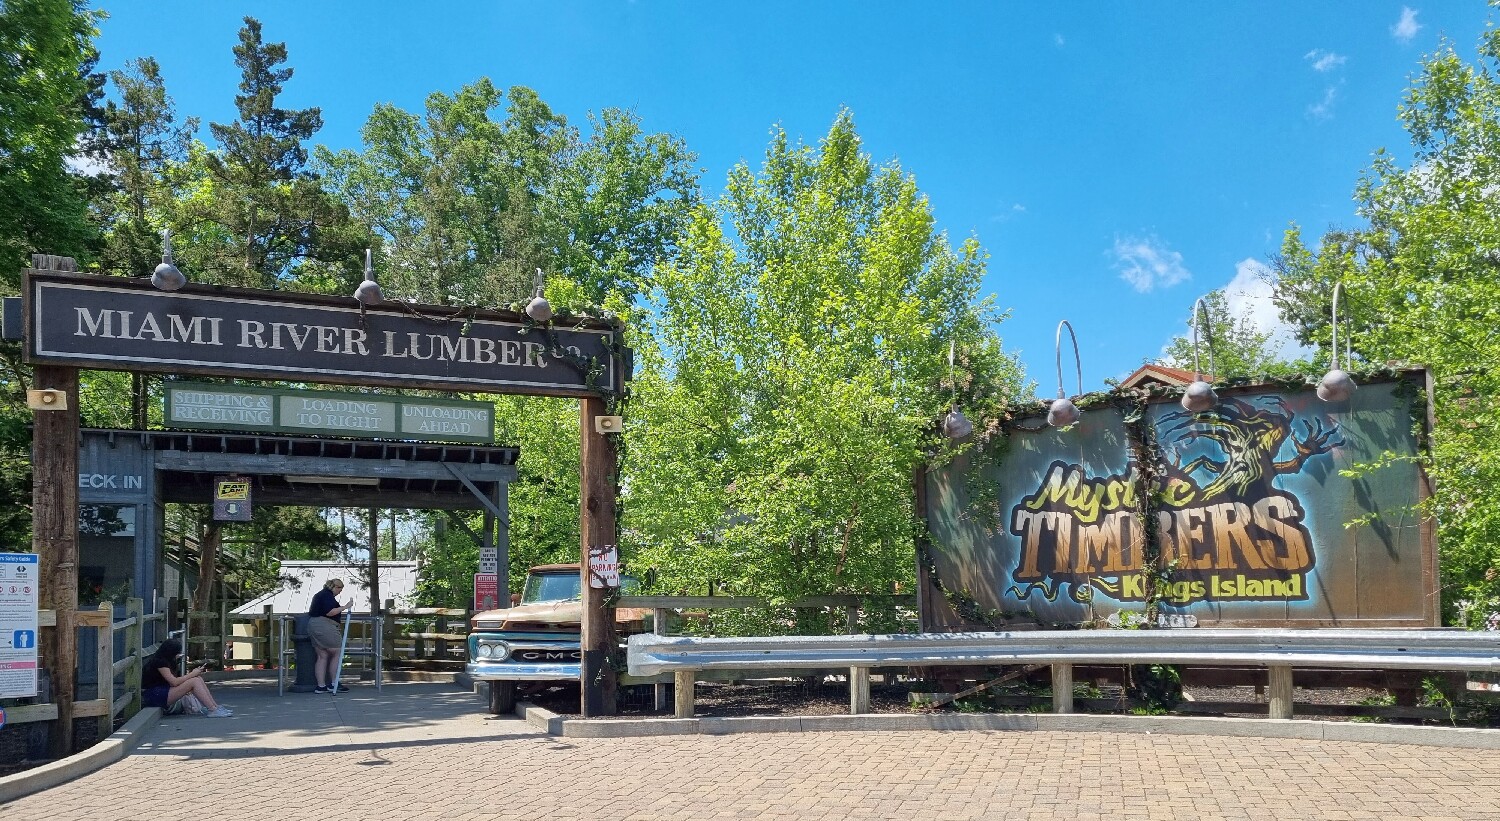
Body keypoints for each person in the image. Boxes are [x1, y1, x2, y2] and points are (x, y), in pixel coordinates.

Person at [141, 638, 232, 717]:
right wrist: (192, 674)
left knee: (198, 679)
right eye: (177, 653)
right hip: (154, 694)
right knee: (194, 681)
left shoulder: (168, 661)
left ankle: (215, 706)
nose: (179, 655)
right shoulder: (160, 662)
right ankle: (212, 709)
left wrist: (193, 676)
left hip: (163, 690)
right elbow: (174, 682)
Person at [308, 578, 353, 693]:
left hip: (315, 625)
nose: (340, 592)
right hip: (325, 625)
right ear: (335, 587)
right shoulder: (326, 596)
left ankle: (321, 685)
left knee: (322, 655)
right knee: (337, 652)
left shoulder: (321, 595)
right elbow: (330, 612)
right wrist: (345, 607)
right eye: (340, 589)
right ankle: (334, 682)